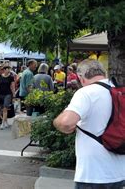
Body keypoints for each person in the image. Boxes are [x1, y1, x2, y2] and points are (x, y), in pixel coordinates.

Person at [53, 59, 125, 188]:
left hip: (94, 174)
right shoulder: (119, 91)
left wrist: (57, 121)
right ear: (103, 73)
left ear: (81, 77)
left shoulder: (86, 93)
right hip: (120, 172)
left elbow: (66, 123)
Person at [0, 64, 16, 129]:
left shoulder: (11, 77)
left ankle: (3, 123)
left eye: (9, 69)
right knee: (2, 109)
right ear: (4, 70)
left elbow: (13, 87)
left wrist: (14, 94)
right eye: (7, 69)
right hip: (0, 94)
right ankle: (6, 122)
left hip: (8, 94)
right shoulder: (0, 76)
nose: (9, 70)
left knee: (5, 108)